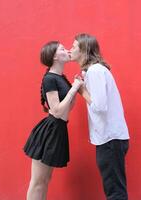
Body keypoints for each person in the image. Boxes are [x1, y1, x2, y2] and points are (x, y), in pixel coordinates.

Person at [70, 33, 130, 200]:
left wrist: (82, 91)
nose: (70, 49)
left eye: (74, 46)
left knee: (115, 192)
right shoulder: (94, 71)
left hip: (110, 140)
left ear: (83, 49)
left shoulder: (95, 71)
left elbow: (99, 106)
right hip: (110, 139)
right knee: (115, 189)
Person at [23, 41, 83, 200]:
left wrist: (75, 88)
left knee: (45, 180)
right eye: (62, 49)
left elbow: (67, 109)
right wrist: (74, 88)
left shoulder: (61, 78)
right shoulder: (50, 79)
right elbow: (56, 110)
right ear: (55, 56)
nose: (67, 50)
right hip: (49, 131)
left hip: (58, 129)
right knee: (37, 182)